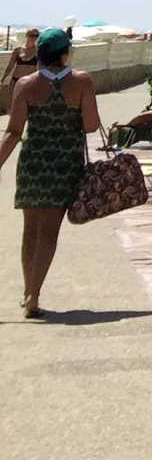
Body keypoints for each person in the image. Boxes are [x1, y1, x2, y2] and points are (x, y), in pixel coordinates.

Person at [0, 29, 103, 317]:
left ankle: (27, 292)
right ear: (65, 53)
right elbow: (91, 125)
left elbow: (13, 131)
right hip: (65, 164)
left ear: (40, 55)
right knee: (48, 232)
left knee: (30, 230)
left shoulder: (26, 85)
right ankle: (34, 294)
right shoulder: (82, 81)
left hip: (32, 164)